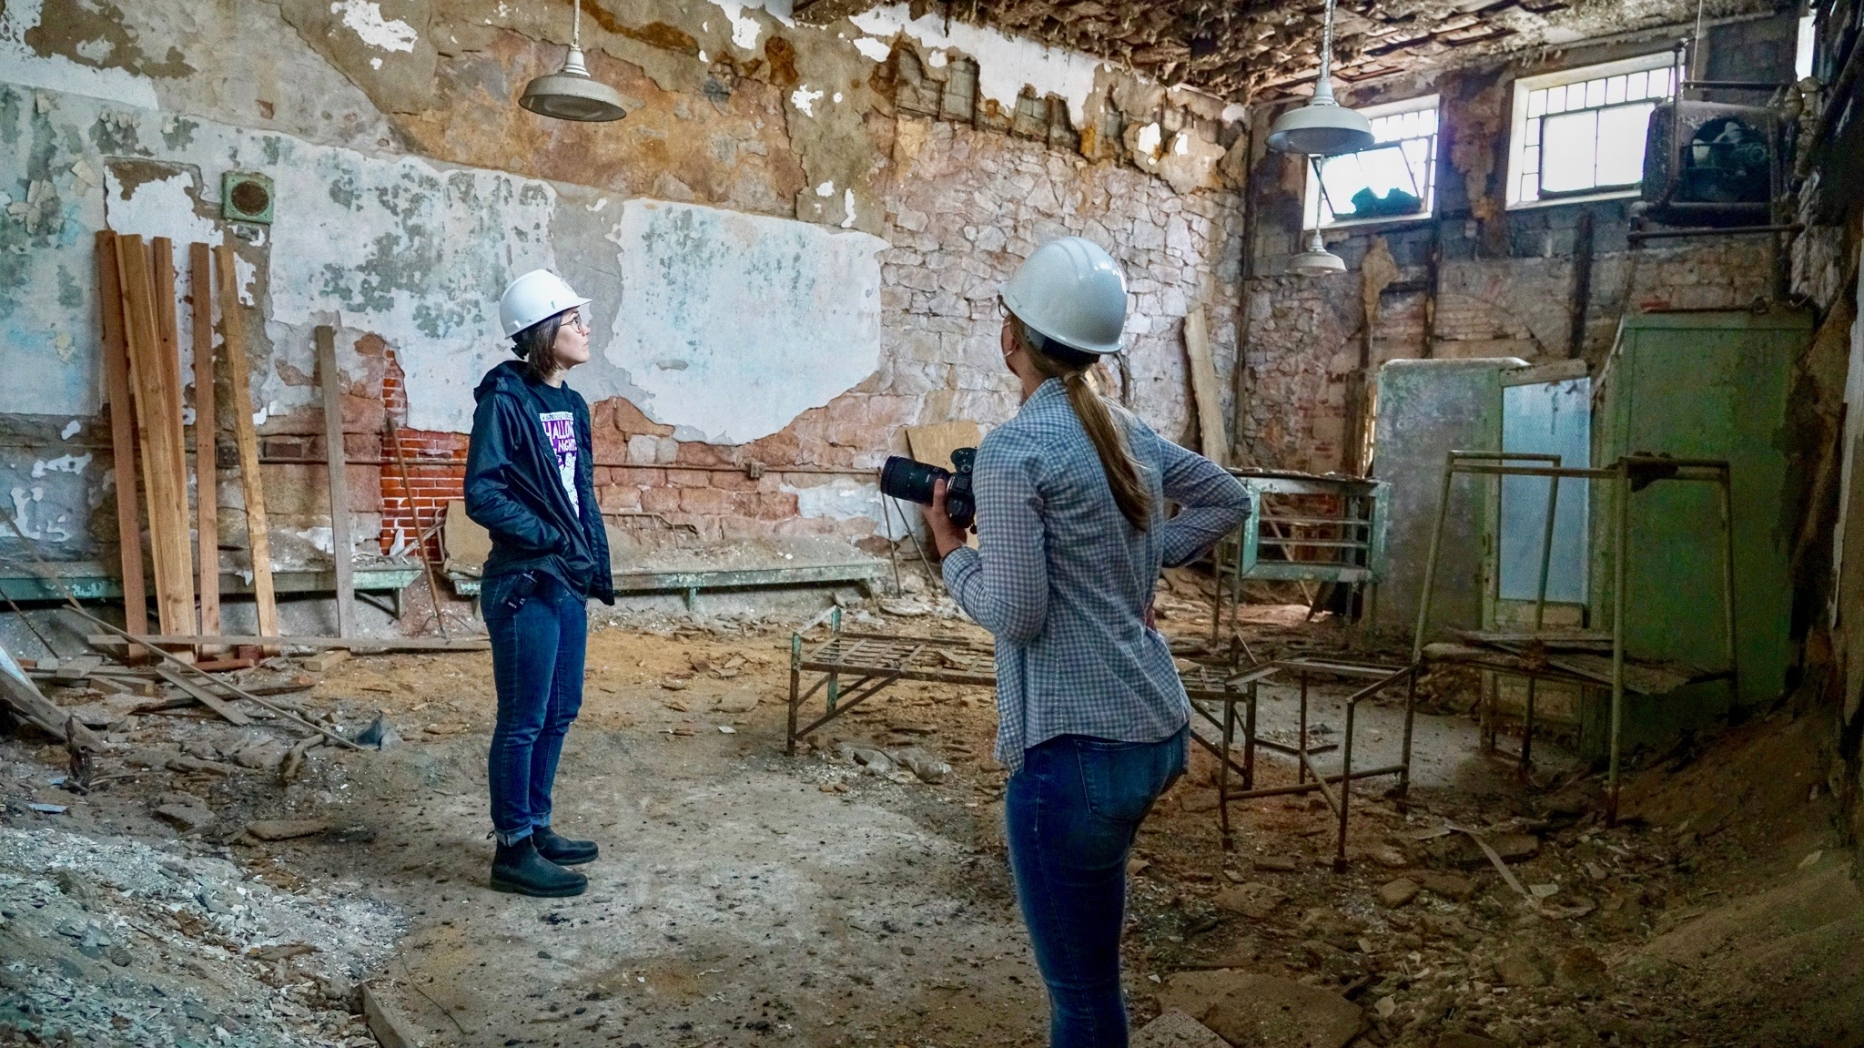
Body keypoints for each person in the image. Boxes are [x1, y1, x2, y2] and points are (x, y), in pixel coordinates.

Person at [920, 238, 1251, 1047]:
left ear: (1012, 337)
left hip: (1076, 757)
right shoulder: (1128, 428)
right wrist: (1130, 565)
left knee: (1084, 999)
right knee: (1094, 961)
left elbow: (1018, 614)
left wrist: (950, 551)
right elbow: (1228, 498)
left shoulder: (1014, 449)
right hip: (1154, 732)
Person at [465, 269, 616, 898]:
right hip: (524, 581)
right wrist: (549, 539)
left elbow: (578, 494)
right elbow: (483, 493)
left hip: (565, 580)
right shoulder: (505, 400)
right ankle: (512, 849)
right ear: (543, 331)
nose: (587, 328)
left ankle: (538, 823)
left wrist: (584, 556)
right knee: (524, 717)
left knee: (561, 710)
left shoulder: (572, 405)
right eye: (575, 320)